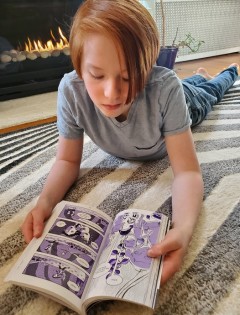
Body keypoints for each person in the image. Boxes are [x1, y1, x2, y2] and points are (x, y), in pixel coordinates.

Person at [21, 0, 239, 285]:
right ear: (78, 66)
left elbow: (187, 171)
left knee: (210, 93)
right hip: (167, 92)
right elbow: (67, 160)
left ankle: (228, 72)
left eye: (128, 76)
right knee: (190, 84)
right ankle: (195, 78)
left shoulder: (163, 87)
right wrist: (45, 202)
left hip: (184, 101)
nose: (112, 93)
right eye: (97, 75)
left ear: (148, 66)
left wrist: (184, 228)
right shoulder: (71, 91)